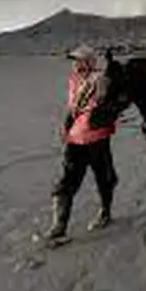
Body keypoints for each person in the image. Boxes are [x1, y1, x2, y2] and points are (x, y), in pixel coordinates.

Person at [45, 43, 119, 243]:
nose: (75, 64)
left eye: (79, 60)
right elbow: (72, 108)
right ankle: (58, 227)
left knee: (104, 177)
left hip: (97, 137)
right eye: (74, 60)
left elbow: (106, 101)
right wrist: (66, 125)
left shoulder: (101, 79)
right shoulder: (73, 81)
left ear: (89, 61)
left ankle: (105, 212)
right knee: (67, 180)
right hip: (75, 139)